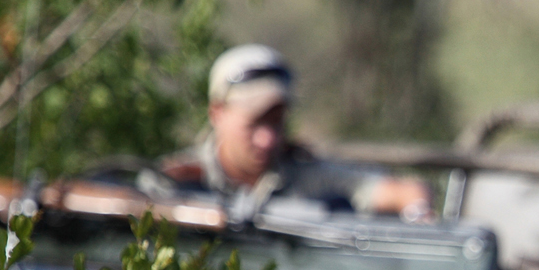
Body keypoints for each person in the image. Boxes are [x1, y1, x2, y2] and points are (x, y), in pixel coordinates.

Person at [153, 45, 433, 220]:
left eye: (276, 123)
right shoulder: (174, 180)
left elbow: (405, 192)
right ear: (217, 113)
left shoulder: (307, 174)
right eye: (254, 123)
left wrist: (417, 212)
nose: (268, 139)